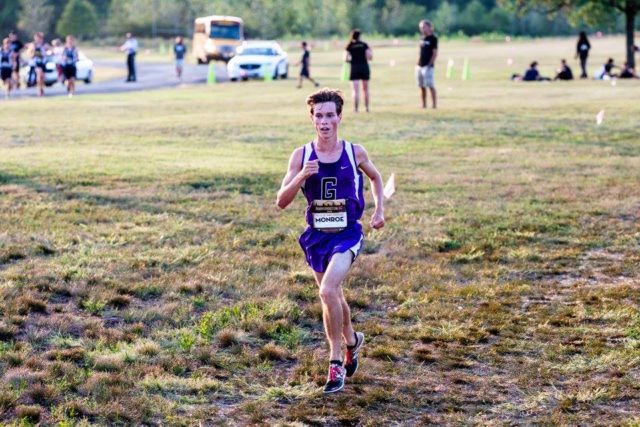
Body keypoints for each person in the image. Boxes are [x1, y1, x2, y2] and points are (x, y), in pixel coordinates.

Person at [276, 88, 385, 394]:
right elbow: (280, 201)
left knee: (327, 290)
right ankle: (352, 341)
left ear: (339, 117)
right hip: (316, 237)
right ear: (311, 119)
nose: (324, 122)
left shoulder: (355, 152)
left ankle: (335, 360)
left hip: (348, 233)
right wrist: (300, 177)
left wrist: (379, 210)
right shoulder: (301, 156)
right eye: (318, 116)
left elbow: (376, 178)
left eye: (329, 115)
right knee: (332, 294)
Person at [345, 29, 372, 112]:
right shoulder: (364, 45)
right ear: (359, 36)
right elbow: (369, 57)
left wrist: (351, 60)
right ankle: (367, 108)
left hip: (354, 68)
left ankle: (355, 109)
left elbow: (346, 58)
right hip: (364, 67)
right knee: (365, 90)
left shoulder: (349, 45)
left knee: (355, 90)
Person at [416, 20, 438, 109]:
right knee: (421, 86)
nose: (422, 29)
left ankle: (434, 105)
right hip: (420, 65)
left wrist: (430, 64)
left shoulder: (433, 39)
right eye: (421, 27)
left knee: (430, 85)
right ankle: (424, 104)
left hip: (428, 66)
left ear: (429, 27)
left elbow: (435, 53)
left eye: (424, 27)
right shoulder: (422, 38)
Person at [31, 32, 48, 96]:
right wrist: (34, 53)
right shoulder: (33, 45)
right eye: (37, 38)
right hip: (37, 63)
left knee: (42, 77)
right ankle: (39, 89)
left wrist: (47, 53)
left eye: (39, 38)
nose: (38, 40)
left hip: (43, 63)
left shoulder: (44, 45)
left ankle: (42, 88)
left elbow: (50, 51)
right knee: (39, 75)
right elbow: (30, 54)